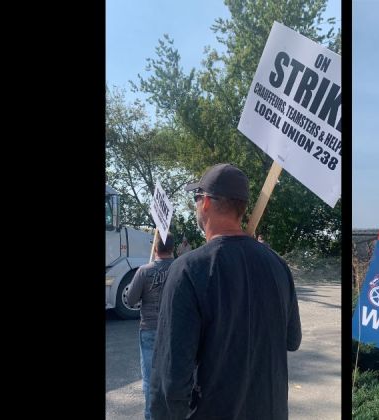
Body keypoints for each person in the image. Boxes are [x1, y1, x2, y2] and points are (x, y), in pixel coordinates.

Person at [149, 163, 302, 419]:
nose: (196, 205)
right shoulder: (278, 265)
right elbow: (292, 340)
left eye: (196, 198)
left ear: (206, 202)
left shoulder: (188, 269)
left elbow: (171, 378)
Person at [126, 232, 175, 420]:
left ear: (155, 247)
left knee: (149, 380)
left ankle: (151, 416)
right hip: (174, 329)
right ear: (172, 247)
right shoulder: (181, 267)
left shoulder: (144, 271)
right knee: (174, 377)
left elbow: (130, 300)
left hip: (149, 329)